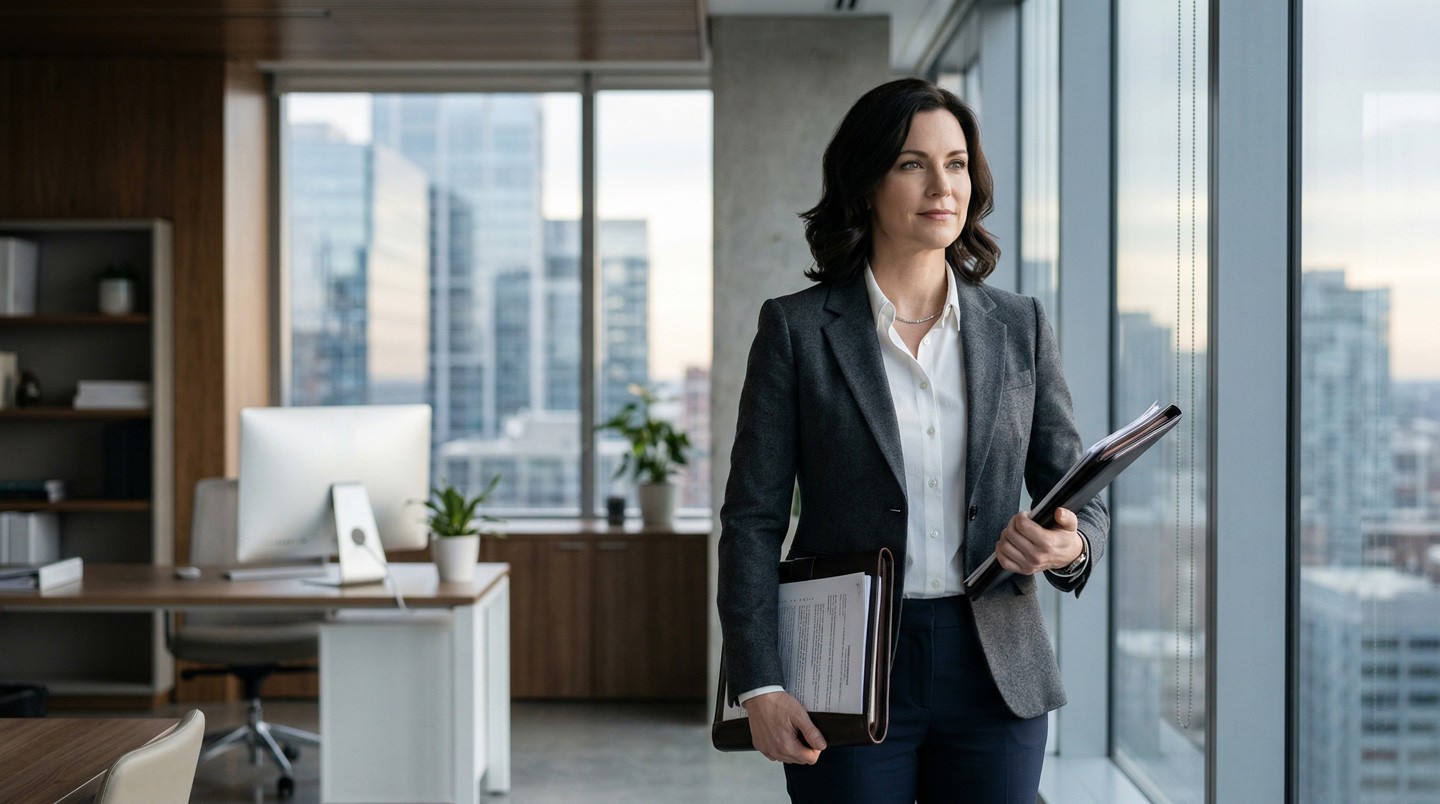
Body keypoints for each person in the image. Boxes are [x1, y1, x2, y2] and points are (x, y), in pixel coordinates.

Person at [716, 78, 1109, 803]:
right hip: (846, 665)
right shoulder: (797, 330)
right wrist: (758, 683)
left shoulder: (1019, 325)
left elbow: (1079, 493)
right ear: (865, 184)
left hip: (996, 667)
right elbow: (752, 520)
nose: (942, 186)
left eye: (956, 164)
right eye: (911, 164)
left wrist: (1069, 545)